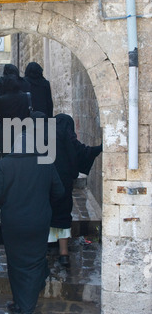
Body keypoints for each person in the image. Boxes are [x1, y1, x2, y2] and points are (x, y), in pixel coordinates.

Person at [0, 130, 64, 314]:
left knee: (15, 261)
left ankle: (19, 303)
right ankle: (28, 313)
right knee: (34, 262)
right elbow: (59, 191)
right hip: (38, 221)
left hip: (13, 222)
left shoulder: (5, 164)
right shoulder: (45, 162)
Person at [49, 114, 102, 267]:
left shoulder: (44, 135)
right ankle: (64, 254)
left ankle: (47, 246)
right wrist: (100, 148)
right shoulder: (68, 137)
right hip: (63, 183)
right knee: (63, 215)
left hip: (45, 181)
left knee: (47, 212)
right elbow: (83, 152)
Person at [0, 74, 31, 157]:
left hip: (6, 131)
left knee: (6, 155)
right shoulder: (25, 97)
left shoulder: (2, 99)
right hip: (22, 130)